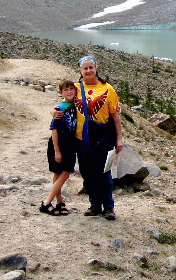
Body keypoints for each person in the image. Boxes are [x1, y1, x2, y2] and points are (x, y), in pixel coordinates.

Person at [53, 55, 124, 220]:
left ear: (96, 68)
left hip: (103, 138)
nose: (88, 71)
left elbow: (115, 116)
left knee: (104, 173)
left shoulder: (108, 89)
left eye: (91, 67)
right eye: (85, 68)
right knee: (87, 172)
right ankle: (94, 205)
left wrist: (119, 138)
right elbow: (62, 104)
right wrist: (53, 112)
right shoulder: (76, 88)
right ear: (80, 70)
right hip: (81, 139)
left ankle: (108, 207)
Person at [40, 79, 78, 216]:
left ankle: (60, 202)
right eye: (66, 90)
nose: (69, 92)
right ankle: (46, 202)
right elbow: (54, 129)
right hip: (59, 143)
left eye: (71, 89)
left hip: (70, 143)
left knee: (58, 174)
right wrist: (57, 150)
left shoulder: (76, 105)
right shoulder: (60, 109)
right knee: (64, 173)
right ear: (60, 92)